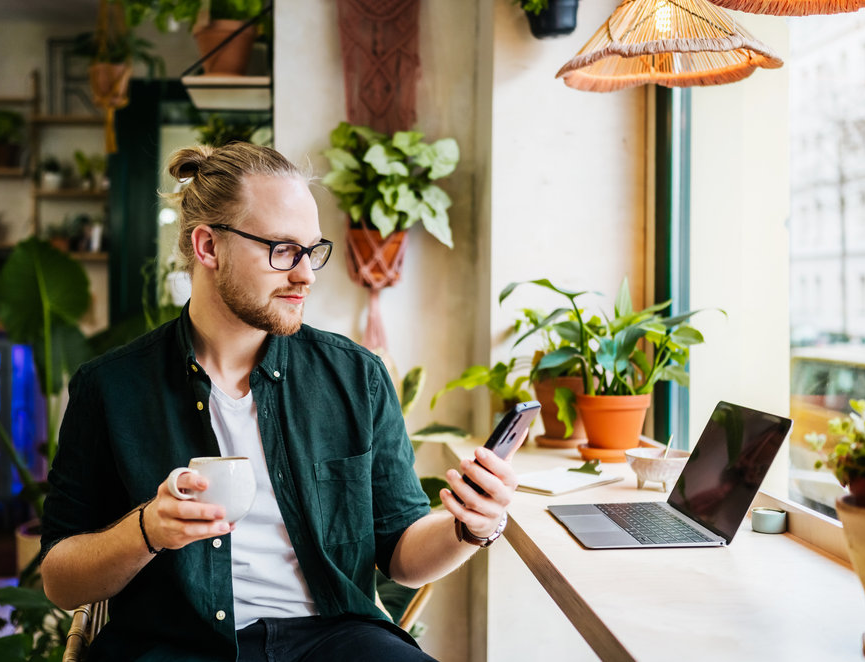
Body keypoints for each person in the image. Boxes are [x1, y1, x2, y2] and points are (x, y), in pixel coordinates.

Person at [39, 142, 520, 661]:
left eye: (311, 251)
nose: (306, 274)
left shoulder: (356, 377)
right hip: (175, 644)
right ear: (208, 247)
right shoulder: (111, 388)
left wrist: (472, 526)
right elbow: (61, 582)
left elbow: (401, 554)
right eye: (282, 250)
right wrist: (147, 530)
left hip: (335, 639)